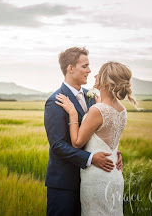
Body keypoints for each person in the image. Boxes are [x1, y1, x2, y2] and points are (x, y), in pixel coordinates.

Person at [44, 47, 123, 216]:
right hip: (65, 184)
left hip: (92, 181)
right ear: (70, 68)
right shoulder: (55, 101)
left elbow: (98, 132)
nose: (89, 70)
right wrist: (90, 158)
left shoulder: (93, 97)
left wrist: (112, 152)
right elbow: (57, 145)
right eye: (85, 66)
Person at [55, 61, 138, 215]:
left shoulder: (97, 110)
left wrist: (72, 113)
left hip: (97, 176)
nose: (94, 75)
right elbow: (108, 139)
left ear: (105, 82)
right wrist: (116, 152)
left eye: (99, 73)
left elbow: (77, 142)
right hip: (114, 173)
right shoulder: (122, 110)